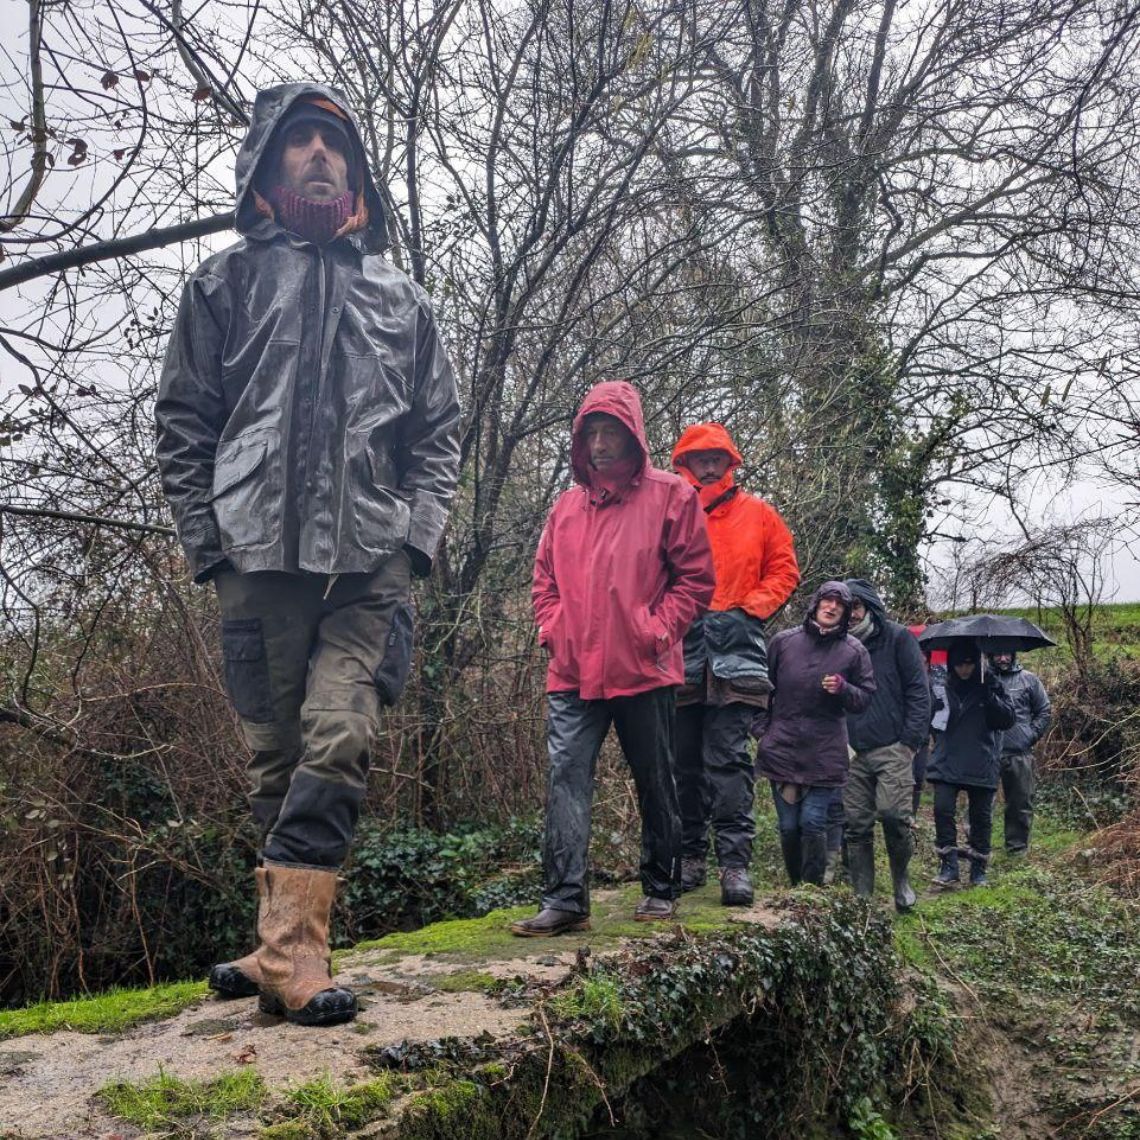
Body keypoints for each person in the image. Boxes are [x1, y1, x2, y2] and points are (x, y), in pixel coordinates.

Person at [155, 84, 461, 1025]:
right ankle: (279, 945)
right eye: (301, 140)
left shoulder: (402, 300)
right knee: (276, 760)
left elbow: (438, 434)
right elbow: (183, 424)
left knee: (341, 735)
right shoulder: (222, 285)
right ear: (267, 162)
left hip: (370, 561)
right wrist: (209, 546)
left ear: (357, 171)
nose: (321, 153)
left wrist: (415, 541)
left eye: (335, 140)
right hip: (255, 552)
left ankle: (293, 952)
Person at [511, 381, 715, 936]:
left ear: (633, 435)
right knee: (565, 778)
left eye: (610, 432)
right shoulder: (566, 506)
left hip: (644, 668)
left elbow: (695, 581)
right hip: (572, 669)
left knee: (656, 778)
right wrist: (553, 630)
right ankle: (565, 900)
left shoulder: (672, 495)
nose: (600, 444)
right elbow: (544, 580)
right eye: (591, 433)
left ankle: (660, 888)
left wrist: (656, 631)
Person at [669, 423, 799, 906]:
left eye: (716, 458)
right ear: (684, 462)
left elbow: (784, 568)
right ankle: (689, 856)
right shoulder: (669, 514)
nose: (708, 466)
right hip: (679, 649)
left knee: (728, 760)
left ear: (730, 462)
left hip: (738, 651)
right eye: (699, 458)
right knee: (682, 762)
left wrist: (750, 609)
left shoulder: (760, 514)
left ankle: (735, 864)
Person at [755, 582, 875, 886]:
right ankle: (796, 886)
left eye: (839, 604)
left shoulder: (854, 651)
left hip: (825, 753)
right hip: (781, 749)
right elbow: (760, 690)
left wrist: (844, 688)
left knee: (812, 823)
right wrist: (762, 732)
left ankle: (811, 889)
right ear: (816, 603)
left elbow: (865, 699)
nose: (832, 607)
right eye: (827, 600)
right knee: (788, 828)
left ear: (845, 613)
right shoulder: (783, 642)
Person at [842, 580, 932, 912]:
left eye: (856, 607)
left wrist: (909, 743)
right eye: (846, 608)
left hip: (893, 746)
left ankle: (901, 881)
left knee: (894, 816)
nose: (851, 615)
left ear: (869, 606)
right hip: (850, 750)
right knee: (856, 824)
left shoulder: (898, 638)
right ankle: (863, 898)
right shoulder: (836, 644)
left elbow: (919, 691)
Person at [927, 643, 1016, 887]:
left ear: (977, 663)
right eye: (959, 664)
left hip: (982, 758)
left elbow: (1007, 719)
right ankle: (948, 865)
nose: (964, 669)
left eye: (969, 664)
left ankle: (978, 868)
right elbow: (930, 718)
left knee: (981, 817)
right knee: (942, 809)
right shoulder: (941, 686)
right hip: (947, 757)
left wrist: (990, 696)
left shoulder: (992, 683)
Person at [988, 651, 1051, 854]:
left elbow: (1044, 710)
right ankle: (977, 847)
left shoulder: (1029, 680)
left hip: (1019, 751)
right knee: (980, 803)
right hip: (986, 752)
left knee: (1020, 803)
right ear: (990, 655)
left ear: (1013, 655)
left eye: (1007, 654)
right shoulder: (981, 679)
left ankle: (1017, 849)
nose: (1003, 659)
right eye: (998, 655)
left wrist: (1030, 735)